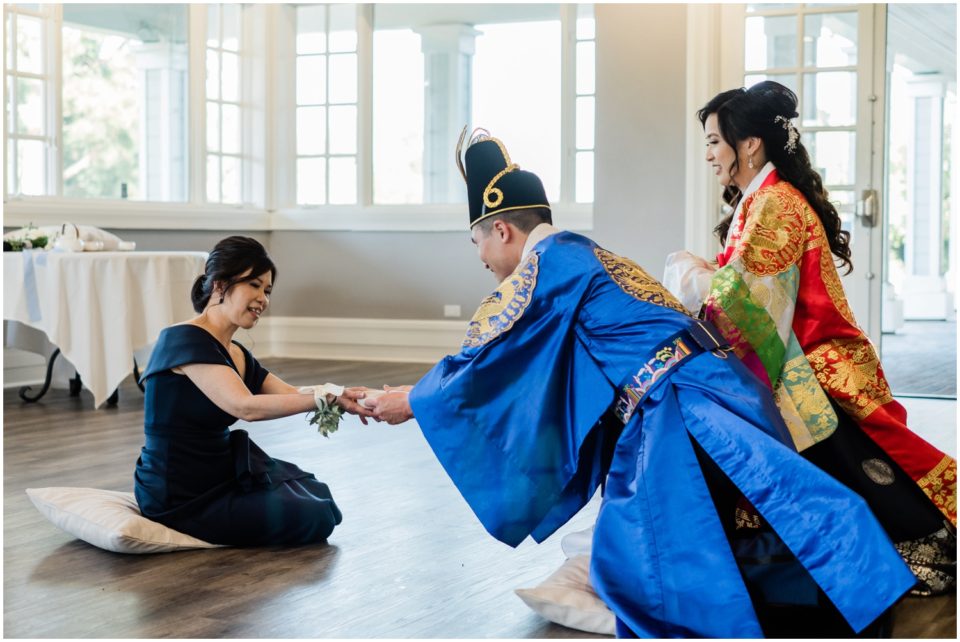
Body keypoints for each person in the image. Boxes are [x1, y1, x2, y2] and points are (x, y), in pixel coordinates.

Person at [368, 128, 916, 637]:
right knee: (767, 499)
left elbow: (491, 347)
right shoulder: (586, 253)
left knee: (647, 551)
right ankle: (855, 592)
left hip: (678, 408)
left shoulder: (547, 266)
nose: (483, 260)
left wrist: (409, 400)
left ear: (503, 229)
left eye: (478, 244)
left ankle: (820, 603)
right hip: (716, 387)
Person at [664, 80, 956, 595]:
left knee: (844, 457)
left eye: (714, 141)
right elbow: (748, 284)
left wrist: (688, 276)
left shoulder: (775, 204)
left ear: (749, 144)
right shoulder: (761, 201)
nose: (708, 154)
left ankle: (922, 547)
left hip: (815, 363)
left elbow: (745, 302)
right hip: (802, 352)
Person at [134, 236, 372, 546]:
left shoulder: (235, 352)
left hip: (217, 474)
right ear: (220, 285)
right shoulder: (183, 339)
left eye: (268, 290)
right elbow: (244, 406)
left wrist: (343, 396)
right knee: (316, 514)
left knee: (317, 492)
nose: (263, 298)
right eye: (255, 285)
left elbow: (288, 392)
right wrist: (323, 397)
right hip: (179, 490)